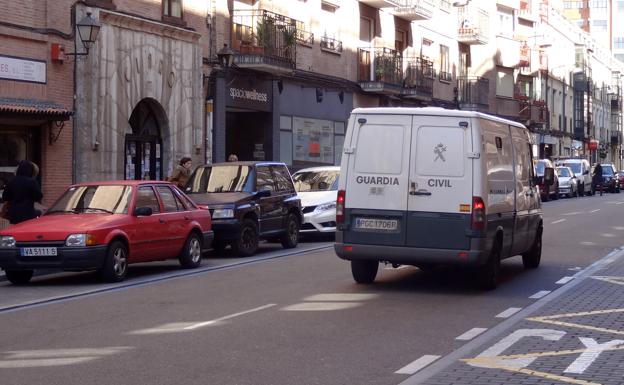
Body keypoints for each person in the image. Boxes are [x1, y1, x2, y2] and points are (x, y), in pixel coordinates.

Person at [1, 160, 43, 224]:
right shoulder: (32, 182)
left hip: (14, 215)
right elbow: (38, 197)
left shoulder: (11, 181)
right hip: (28, 214)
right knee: (40, 213)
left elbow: (5, 197)